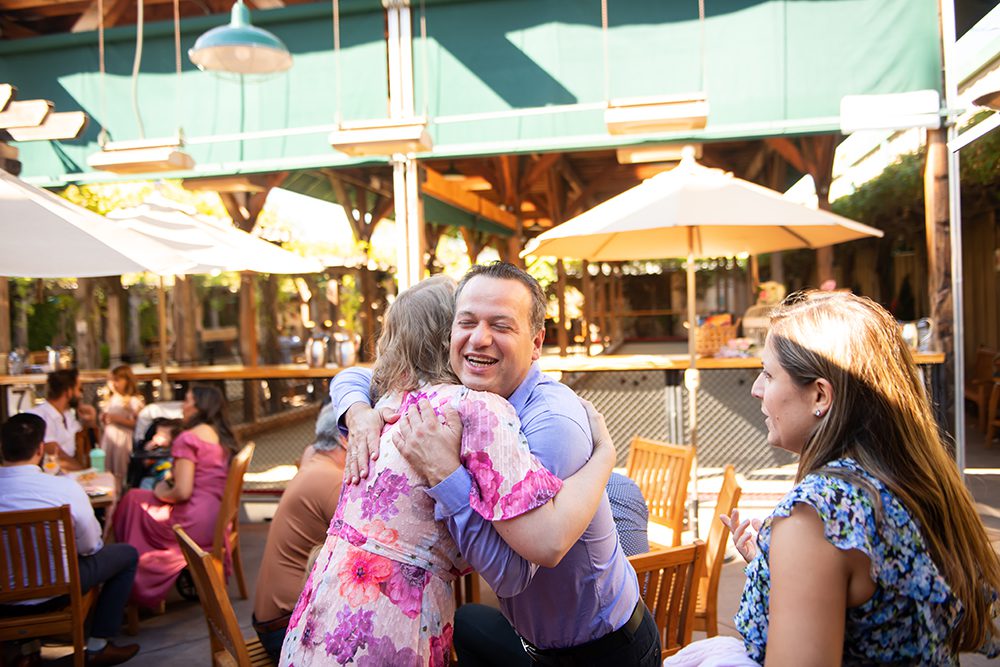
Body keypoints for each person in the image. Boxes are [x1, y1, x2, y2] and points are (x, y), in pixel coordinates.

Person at [333, 262, 660, 666]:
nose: (480, 339)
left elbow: (516, 568)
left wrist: (444, 472)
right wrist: (357, 410)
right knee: (470, 625)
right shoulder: (469, 401)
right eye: (466, 322)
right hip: (537, 642)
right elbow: (354, 376)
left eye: (501, 326)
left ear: (536, 342)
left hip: (601, 651)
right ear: (447, 335)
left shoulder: (550, 423)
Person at [669, 291, 1000, 666]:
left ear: (820, 396)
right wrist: (775, 565)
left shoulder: (818, 516)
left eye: (768, 374)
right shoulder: (905, 482)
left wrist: (797, 549)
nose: (756, 389)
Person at [453, 470, 650, 667]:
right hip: (641, 624)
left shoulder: (544, 501)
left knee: (466, 618)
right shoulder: (624, 486)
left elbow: (505, 572)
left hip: (580, 647)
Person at [0, 413, 140, 667]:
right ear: (41, 449)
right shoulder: (63, 488)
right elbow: (90, 546)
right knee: (127, 555)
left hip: (3, 600)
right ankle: (98, 646)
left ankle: (25, 650)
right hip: (59, 590)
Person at [113, 384, 237, 609]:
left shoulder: (187, 438)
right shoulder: (220, 436)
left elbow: (182, 491)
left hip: (193, 521)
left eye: (187, 401)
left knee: (132, 501)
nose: (183, 405)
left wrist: (160, 491)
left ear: (199, 407)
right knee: (135, 498)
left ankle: (130, 581)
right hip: (214, 516)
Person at [253, 405, 348, 660]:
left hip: (274, 618)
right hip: (286, 629)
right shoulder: (333, 480)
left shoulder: (316, 461)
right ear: (345, 438)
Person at [26, 368, 98, 471]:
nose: (80, 395)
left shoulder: (67, 415)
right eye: (79, 389)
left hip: (71, 476)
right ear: (68, 392)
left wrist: (90, 422)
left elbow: (85, 444)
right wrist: (84, 473)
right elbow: (57, 455)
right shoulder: (41, 417)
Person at [99, 365, 144, 490]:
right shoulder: (110, 400)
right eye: (111, 380)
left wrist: (117, 419)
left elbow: (139, 424)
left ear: (127, 381)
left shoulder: (133, 401)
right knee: (107, 470)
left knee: (120, 472)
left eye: (117, 380)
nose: (113, 383)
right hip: (109, 439)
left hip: (122, 440)